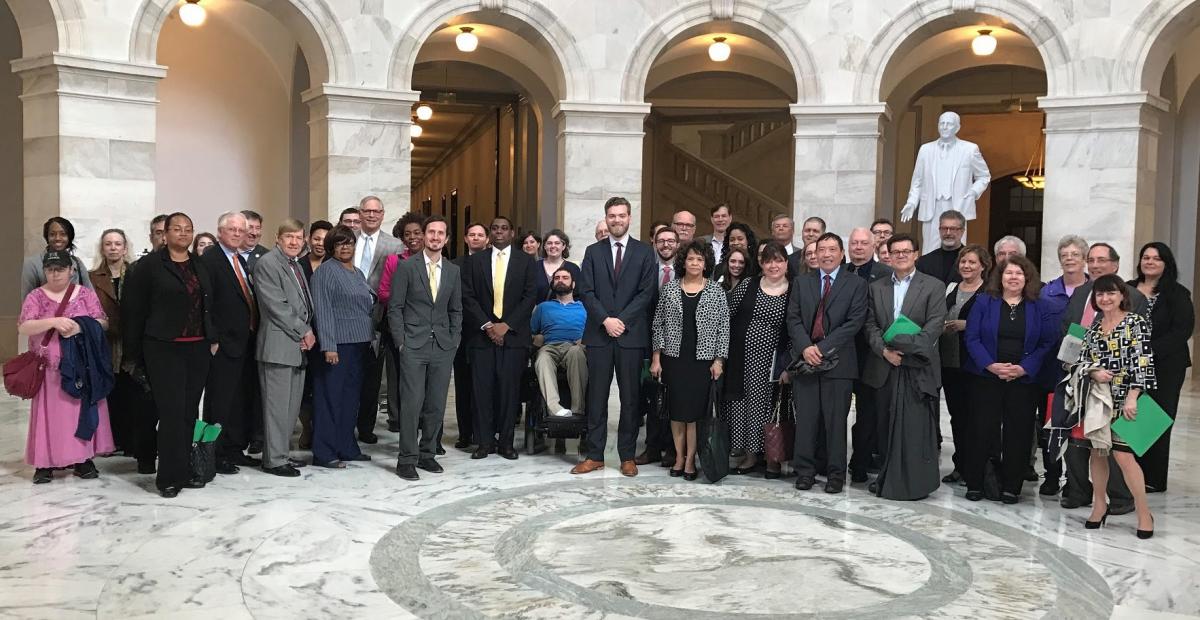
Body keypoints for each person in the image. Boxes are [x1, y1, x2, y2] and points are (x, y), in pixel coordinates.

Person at [122, 213, 215, 497]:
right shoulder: (149, 266)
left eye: (188, 229)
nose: (183, 234)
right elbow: (133, 311)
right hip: (163, 347)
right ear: (165, 234)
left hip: (197, 347)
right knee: (172, 413)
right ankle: (169, 478)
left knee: (189, 412)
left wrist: (214, 338)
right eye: (177, 229)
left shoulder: (200, 263)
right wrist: (132, 354)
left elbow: (210, 304)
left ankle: (184, 469)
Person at [1058, 242, 1146, 512]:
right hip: (1081, 379)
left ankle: (1120, 497)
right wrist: (1073, 367)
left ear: (1115, 265)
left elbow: (1139, 350)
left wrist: (1133, 391)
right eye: (1091, 260)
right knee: (1077, 439)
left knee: (1116, 446)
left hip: (1117, 385)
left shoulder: (1133, 296)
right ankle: (1078, 490)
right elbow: (1070, 331)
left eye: (1101, 260)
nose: (1095, 265)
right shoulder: (1083, 292)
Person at [962, 256, 1058, 504]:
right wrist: (990, 365)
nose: (1013, 277)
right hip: (986, 377)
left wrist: (1024, 368)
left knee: (1019, 433)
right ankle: (976, 483)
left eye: (1019, 273)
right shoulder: (984, 302)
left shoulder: (1040, 306)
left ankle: (1011, 486)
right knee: (981, 430)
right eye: (1008, 273)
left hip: (1022, 380)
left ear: (1027, 278)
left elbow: (1047, 342)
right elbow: (971, 337)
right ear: (999, 277)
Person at [573, 196, 656, 477]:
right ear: (606, 218)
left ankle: (627, 456)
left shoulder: (645, 252)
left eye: (621, 215)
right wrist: (606, 320)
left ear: (629, 218)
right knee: (596, 397)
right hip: (599, 334)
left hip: (631, 337)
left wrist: (621, 320)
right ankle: (595, 455)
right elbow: (586, 291)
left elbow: (646, 293)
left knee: (631, 399)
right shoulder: (593, 251)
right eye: (611, 216)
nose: (616, 220)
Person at [862, 233, 946, 500]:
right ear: (887, 255)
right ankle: (887, 478)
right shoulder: (877, 287)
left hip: (918, 368)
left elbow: (933, 328)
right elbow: (870, 325)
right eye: (895, 251)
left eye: (905, 251)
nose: (900, 255)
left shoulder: (933, 286)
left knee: (915, 430)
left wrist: (902, 347)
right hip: (885, 366)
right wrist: (885, 351)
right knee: (885, 427)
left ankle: (916, 483)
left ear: (916, 254)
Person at [20, 250, 115, 484]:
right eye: (50, 269)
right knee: (49, 416)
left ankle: (82, 459)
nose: (55, 274)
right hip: (50, 368)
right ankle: (45, 463)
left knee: (78, 411)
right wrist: (53, 321)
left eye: (60, 269)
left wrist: (80, 327)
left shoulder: (84, 294)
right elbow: (24, 326)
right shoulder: (36, 296)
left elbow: (102, 321)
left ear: (72, 270)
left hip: (82, 365)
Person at [787, 233, 868, 493]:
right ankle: (805, 472)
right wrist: (806, 348)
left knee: (835, 423)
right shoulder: (802, 282)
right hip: (806, 362)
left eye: (832, 249)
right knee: (807, 421)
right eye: (822, 249)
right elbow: (794, 318)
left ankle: (835, 474)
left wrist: (821, 348)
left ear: (842, 253)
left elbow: (854, 323)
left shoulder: (855, 284)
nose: (826, 254)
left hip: (840, 363)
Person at [1078, 275, 1156, 539]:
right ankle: (1100, 505)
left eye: (1111, 293)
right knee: (1098, 453)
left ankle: (1144, 513)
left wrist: (1134, 396)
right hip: (1098, 399)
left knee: (1123, 456)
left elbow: (1143, 361)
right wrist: (1093, 372)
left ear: (1122, 295)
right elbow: (1080, 361)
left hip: (1126, 397)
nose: (1105, 299)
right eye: (1100, 294)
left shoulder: (1136, 323)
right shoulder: (1094, 327)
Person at [387, 215, 461, 480]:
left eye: (441, 233)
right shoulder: (407, 267)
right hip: (413, 346)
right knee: (411, 403)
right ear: (424, 235)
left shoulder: (453, 271)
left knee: (436, 404)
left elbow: (456, 310)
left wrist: (454, 341)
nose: (435, 237)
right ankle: (406, 459)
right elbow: (394, 308)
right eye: (431, 232)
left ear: (446, 238)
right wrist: (401, 342)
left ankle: (427, 454)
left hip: (442, 346)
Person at [650, 240, 729, 481]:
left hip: (701, 361)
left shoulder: (716, 291)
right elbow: (658, 324)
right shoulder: (671, 289)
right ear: (683, 261)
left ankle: (691, 460)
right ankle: (679, 457)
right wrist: (656, 358)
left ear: (706, 264)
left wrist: (719, 360)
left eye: (699, 259)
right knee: (676, 412)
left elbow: (724, 328)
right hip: (674, 358)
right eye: (691, 258)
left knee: (694, 414)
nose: (694, 263)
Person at [460, 216, 537, 460]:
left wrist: (507, 325)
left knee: (509, 392)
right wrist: (488, 326)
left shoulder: (526, 261)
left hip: (514, 337)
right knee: (482, 392)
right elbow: (468, 296)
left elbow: (530, 296)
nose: (499, 232)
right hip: (481, 337)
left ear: (512, 233)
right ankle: (484, 442)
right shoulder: (476, 261)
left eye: (504, 228)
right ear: (490, 233)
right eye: (495, 228)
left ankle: (506, 443)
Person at [198, 212, 260, 474]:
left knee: (240, 399)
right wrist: (212, 338)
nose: (237, 233)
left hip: (245, 341)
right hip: (223, 343)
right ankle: (217, 453)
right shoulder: (210, 260)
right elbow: (205, 303)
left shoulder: (239, 260)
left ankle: (235, 448)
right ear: (220, 231)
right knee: (220, 401)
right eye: (232, 229)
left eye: (241, 230)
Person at [252, 218, 315, 478]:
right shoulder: (267, 264)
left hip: (297, 346)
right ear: (278, 238)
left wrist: (305, 332)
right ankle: (274, 460)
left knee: (290, 407)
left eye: (299, 237)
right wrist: (305, 330)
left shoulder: (295, 265)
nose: (294, 242)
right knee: (276, 408)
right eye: (289, 236)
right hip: (278, 345)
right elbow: (275, 306)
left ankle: (282, 455)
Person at [1129, 242, 1193, 493]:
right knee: (1130, 417)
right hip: (1130, 365)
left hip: (1165, 366)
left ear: (1166, 263)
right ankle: (1130, 473)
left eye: (1156, 258)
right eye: (1146, 257)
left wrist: (1147, 351)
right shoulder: (1128, 288)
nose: (1150, 262)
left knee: (1156, 417)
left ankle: (1153, 478)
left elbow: (1182, 331)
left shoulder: (1178, 294)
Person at [310, 225, 374, 468]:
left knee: (350, 399)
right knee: (330, 398)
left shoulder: (357, 272)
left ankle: (347, 447)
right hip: (337, 346)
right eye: (339, 243)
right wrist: (329, 346)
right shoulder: (326, 272)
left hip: (359, 344)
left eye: (349, 242)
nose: (345, 247)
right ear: (331, 247)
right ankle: (324, 452)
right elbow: (323, 310)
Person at [725, 242, 791, 477]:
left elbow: (795, 329)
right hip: (742, 358)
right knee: (743, 404)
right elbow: (728, 313)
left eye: (778, 260)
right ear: (762, 264)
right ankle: (749, 453)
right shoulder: (748, 284)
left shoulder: (794, 291)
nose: (773, 265)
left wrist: (788, 365)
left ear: (785, 263)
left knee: (768, 407)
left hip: (774, 363)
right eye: (768, 261)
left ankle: (772, 456)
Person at [1035, 235, 1089, 495]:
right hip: (1051, 369)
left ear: (1084, 259)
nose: (1069, 259)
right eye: (1064, 255)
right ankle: (1051, 475)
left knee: (1079, 426)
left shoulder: (1095, 293)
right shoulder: (1047, 292)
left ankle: (1077, 481)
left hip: (1084, 371)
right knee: (1049, 423)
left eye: (1075, 254)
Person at [936, 244, 991, 485]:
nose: (966, 266)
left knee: (974, 418)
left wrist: (965, 325)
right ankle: (959, 465)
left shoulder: (989, 292)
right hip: (948, 361)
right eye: (963, 262)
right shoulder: (950, 288)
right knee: (956, 417)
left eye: (972, 262)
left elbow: (992, 325)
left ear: (983, 266)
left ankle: (974, 468)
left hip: (974, 363)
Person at [900, 111, 991, 254]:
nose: (944, 127)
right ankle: (929, 276)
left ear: (957, 127)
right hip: (932, 205)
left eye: (949, 124)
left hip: (958, 205)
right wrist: (911, 202)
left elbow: (984, 176)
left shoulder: (969, 149)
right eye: (941, 123)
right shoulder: (926, 150)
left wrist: (973, 192)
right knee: (930, 249)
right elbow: (917, 181)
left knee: (957, 249)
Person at [846, 227, 895, 483]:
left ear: (873, 245)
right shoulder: (840, 271)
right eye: (854, 243)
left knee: (868, 413)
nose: (858, 247)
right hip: (842, 352)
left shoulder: (886, 274)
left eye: (864, 243)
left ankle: (861, 461)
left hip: (872, 353)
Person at [354, 195, 404, 444]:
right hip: (347, 317)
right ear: (360, 214)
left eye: (376, 211)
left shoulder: (394, 245)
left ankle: (365, 428)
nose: (371, 215)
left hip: (377, 318)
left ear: (383, 215)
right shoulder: (347, 239)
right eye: (367, 211)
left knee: (372, 378)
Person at [635, 225, 680, 467]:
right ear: (654, 243)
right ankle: (652, 447)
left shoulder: (685, 273)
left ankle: (673, 448)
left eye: (670, 241)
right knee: (653, 396)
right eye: (661, 241)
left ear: (677, 244)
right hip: (647, 343)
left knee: (675, 397)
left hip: (679, 345)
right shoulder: (646, 270)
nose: (665, 245)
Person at [89, 229, 133, 454]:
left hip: (131, 339)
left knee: (130, 389)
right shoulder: (92, 277)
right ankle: (110, 438)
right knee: (109, 389)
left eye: (117, 243)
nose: (113, 247)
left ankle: (129, 438)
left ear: (125, 248)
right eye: (109, 244)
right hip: (104, 340)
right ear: (102, 248)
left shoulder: (136, 274)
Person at [450, 222, 490, 449]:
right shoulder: (456, 264)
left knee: (485, 386)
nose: (476, 238)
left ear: (486, 239)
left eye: (480, 234)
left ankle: (484, 432)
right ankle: (465, 433)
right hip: (463, 332)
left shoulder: (495, 263)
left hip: (488, 333)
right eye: (472, 235)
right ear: (465, 238)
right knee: (463, 385)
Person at [531, 267, 588, 417]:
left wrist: (586, 339)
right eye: (557, 278)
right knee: (542, 358)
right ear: (552, 284)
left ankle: (578, 409)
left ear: (573, 284)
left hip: (575, 347)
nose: (560, 280)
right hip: (549, 346)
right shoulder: (543, 307)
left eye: (565, 277)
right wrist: (534, 338)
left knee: (577, 353)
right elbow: (529, 332)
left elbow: (595, 331)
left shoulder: (584, 307)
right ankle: (555, 408)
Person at [297, 219, 331, 449]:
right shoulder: (297, 265)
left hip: (328, 334)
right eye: (316, 238)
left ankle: (323, 430)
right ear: (308, 239)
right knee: (305, 386)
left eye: (325, 239)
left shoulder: (336, 265)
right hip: (303, 334)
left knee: (324, 383)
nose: (320, 243)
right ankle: (306, 428)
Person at [22, 217, 93, 297]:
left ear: (69, 237)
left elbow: (91, 298)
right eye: (52, 234)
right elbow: (27, 302)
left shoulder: (77, 263)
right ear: (47, 237)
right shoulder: (32, 264)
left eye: (63, 234)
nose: (57, 238)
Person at [915, 210, 966, 284]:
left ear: (962, 231)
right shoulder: (924, 262)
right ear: (939, 230)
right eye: (944, 228)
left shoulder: (973, 261)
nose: (948, 233)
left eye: (953, 229)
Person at [533, 229, 581, 302]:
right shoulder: (534, 267)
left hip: (564, 312)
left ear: (564, 246)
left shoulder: (573, 268)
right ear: (545, 246)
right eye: (549, 243)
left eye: (557, 243)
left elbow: (578, 295)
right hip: (537, 312)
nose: (553, 246)